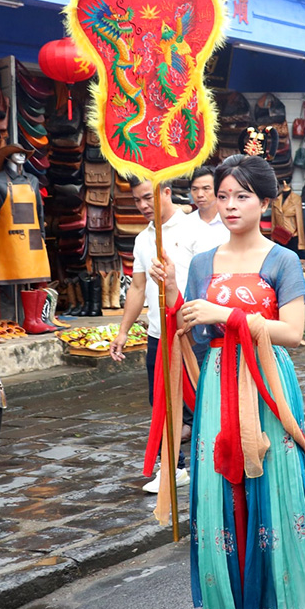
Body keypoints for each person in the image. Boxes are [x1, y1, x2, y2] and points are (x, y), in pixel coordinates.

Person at [151, 154, 305, 609]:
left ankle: (271, 606)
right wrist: (171, 291)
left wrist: (228, 313)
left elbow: (294, 333)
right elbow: (189, 326)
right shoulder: (199, 263)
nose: (230, 205)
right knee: (219, 484)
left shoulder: (281, 260)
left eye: (242, 196)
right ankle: (235, 601)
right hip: (218, 382)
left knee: (268, 481)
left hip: (264, 381)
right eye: (223, 195)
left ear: (265, 202)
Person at [112, 176, 211, 493]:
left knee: (200, 401)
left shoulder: (194, 231)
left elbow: (208, 283)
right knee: (162, 403)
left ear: (166, 192)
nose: (142, 206)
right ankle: (173, 467)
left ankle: (209, 464)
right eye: (137, 200)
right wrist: (123, 331)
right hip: (158, 333)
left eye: (146, 198)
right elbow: (138, 288)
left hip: (192, 330)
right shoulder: (143, 240)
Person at [187, 165, 229, 243]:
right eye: (195, 189)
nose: (199, 194)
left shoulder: (230, 221)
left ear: (218, 189)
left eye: (206, 188)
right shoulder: (185, 224)